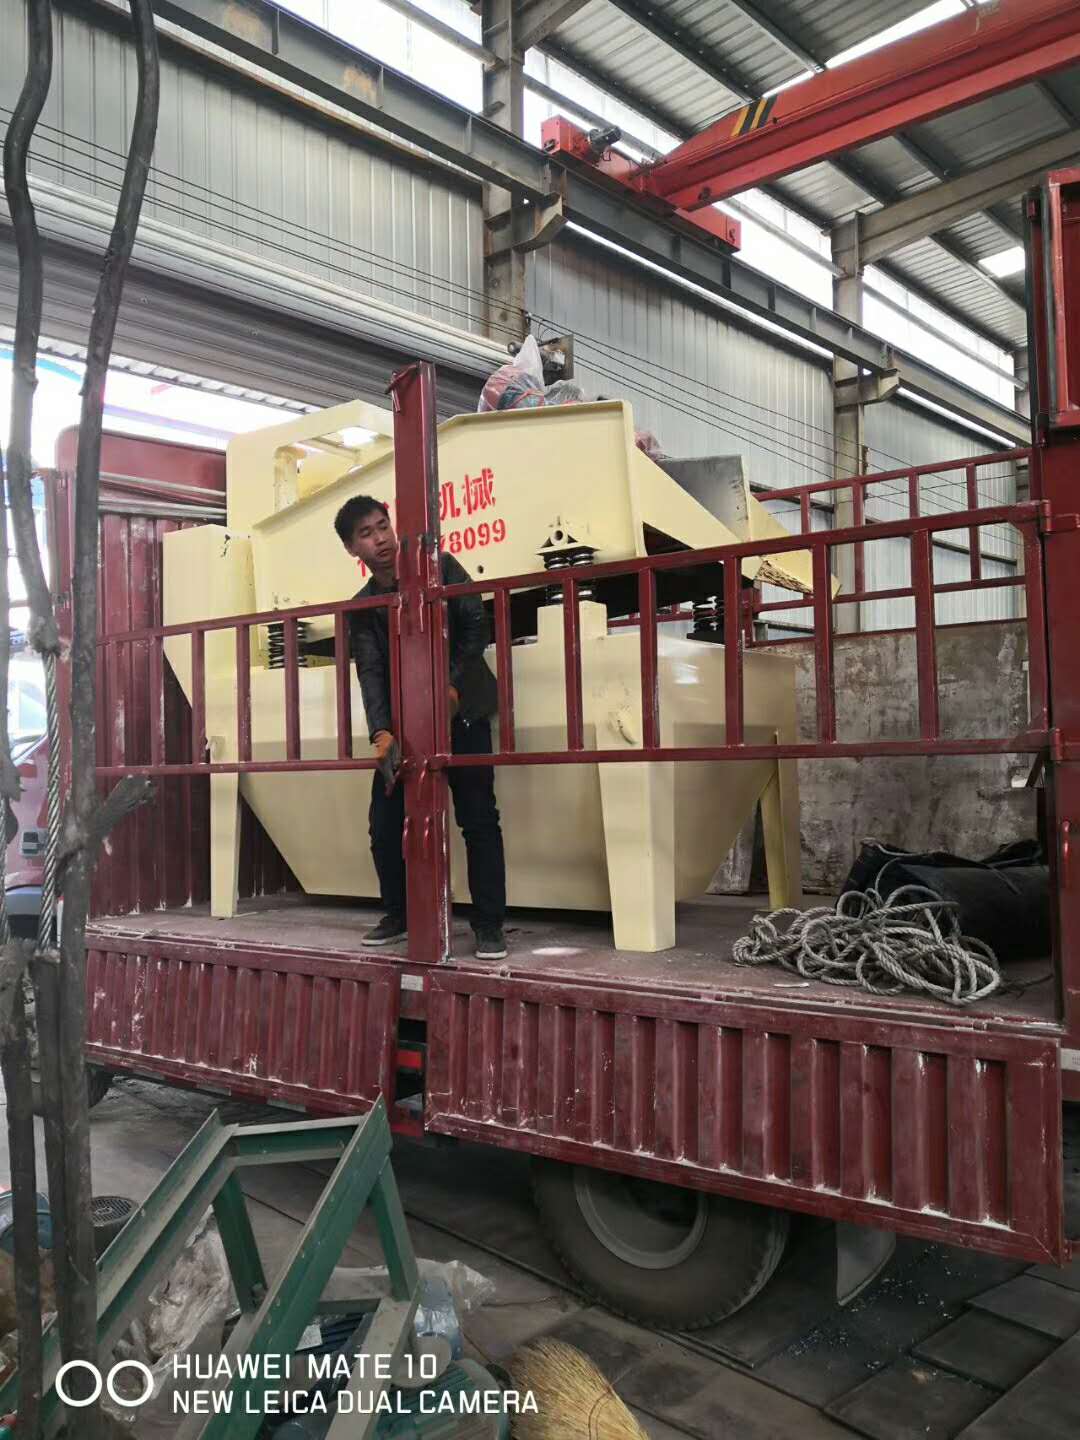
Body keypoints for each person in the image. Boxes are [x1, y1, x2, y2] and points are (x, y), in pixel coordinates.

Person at [334, 493, 508, 961]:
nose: (380, 539)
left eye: (382, 526)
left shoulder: (443, 568)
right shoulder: (363, 607)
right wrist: (381, 732)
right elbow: (370, 671)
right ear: (352, 549)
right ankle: (400, 914)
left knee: (478, 818)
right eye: (366, 534)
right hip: (406, 726)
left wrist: (451, 687)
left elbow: (476, 628)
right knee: (384, 823)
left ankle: (489, 925)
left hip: (462, 712)